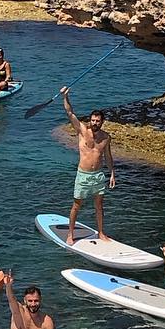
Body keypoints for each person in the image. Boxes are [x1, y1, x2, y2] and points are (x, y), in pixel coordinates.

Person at [63, 90, 116, 242]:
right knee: (76, 205)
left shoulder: (106, 137)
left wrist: (112, 173)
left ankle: (100, 232)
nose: (94, 123)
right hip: (83, 175)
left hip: (98, 175)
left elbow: (108, 156)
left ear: (102, 122)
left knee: (99, 206)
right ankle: (70, 234)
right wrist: (65, 96)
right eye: (92, 120)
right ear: (90, 120)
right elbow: (69, 112)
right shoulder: (82, 131)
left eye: (97, 121)